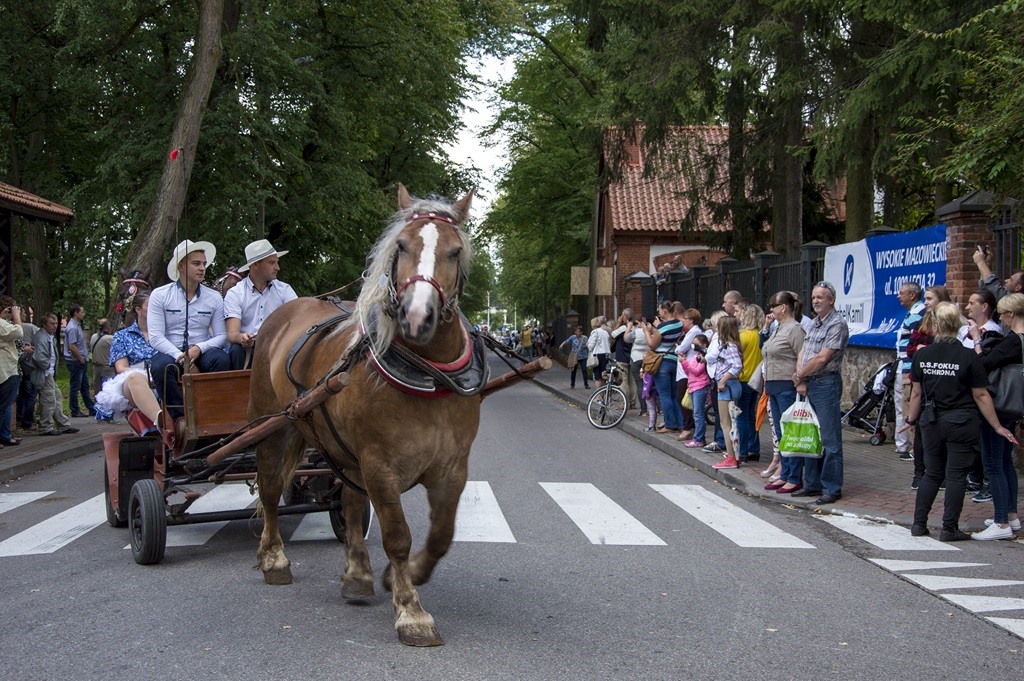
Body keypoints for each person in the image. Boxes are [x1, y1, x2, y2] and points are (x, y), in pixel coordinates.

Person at [900, 301, 1017, 541]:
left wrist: (911, 420)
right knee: (956, 476)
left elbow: (916, 394)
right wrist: (997, 426)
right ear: (958, 326)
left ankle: (918, 524)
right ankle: (949, 528)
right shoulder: (968, 356)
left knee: (932, 473)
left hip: (931, 421)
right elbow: (981, 395)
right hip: (961, 421)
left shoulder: (922, 354)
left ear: (934, 326)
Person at [148, 239, 230, 420]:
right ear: (181, 266)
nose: (202, 268)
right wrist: (179, 355)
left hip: (200, 351)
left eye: (204, 264)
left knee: (222, 359)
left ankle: (211, 411)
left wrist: (199, 348)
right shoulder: (160, 295)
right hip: (171, 351)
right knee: (160, 366)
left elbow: (222, 336)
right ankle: (180, 417)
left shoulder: (214, 297)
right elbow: (155, 337)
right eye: (196, 263)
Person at [792, 281, 849, 505]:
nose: (815, 301)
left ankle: (832, 488)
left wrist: (800, 375)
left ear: (831, 300)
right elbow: (804, 351)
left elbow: (822, 358)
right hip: (809, 381)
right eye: (814, 297)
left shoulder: (837, 324)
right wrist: (801, 375)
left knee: (829, 439)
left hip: (826, 383)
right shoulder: (815, 323)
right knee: (811, 435)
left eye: (820, 297)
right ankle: (812, 484)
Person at [972, 293, 1024, 539]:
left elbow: (983, 364)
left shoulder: (1013, 340)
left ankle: (1001, 522)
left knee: (993, 463)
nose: (1001, 319)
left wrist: (977, 340)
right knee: (1005, 461)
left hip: (998, 407)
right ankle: (1011, 516)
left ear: (1011, 314)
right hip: (1013, 406)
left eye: (1002, 314)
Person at [224, 239, 298, 370]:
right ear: (255, 265)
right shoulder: (236, 293)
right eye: (272, 262)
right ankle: (239, 382)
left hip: (277, 346)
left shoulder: (285, 290)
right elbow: (232, 333)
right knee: (236, 349)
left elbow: (297, 319)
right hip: (248, 349)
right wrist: (242, 338)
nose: (277, 267)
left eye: (277, 262)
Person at [94, 290, 161, 430]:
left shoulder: (166, 333)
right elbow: (121, 368)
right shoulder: (122, 336)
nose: (156, 309)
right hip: (136, 381)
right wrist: (148, 372)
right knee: (135, 378)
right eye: (151, 306)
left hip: (163, 378)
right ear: (138, 310)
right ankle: (160, 421)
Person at [905, 284, 951, 489]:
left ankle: (942, 474)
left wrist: (928, 350)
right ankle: (919, 473)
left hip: (945, 381)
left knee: (943, 430)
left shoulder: (952, 323)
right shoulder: (922, 322)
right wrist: (920, 349)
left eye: (930, 299)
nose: (925, 303)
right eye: (925, 299)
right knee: (922, 429)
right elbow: (910, 350)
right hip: (923, 380)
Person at [761, 292, 806, 493]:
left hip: (787, 385)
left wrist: (799, 379)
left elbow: (801, 355)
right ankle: (785, 473)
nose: (771, 310)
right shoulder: (778, 328)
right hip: (774, 385)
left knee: (790, 432)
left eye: (773, 306)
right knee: (780, 433)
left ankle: (794, 476)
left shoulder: (795, 329)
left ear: (783, 307)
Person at [962, 289, 1004, 501]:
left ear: (985, 306)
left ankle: (988, 482)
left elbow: (983, 364)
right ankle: (975, 477)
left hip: (984, 391)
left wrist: (977, 339)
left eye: (972, 303)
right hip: (968, 391)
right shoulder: (968, 329)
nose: (967, 307)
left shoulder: (993, 333)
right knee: (974, 438)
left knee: (986, 441)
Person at [30, 313, 79, 437]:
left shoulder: (50, 336)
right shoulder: (41, 337)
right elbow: (39, 357)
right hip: (44, 373)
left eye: (56, 323)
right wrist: (46, 366)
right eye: (52, 324)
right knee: (49, 400)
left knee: (56, 397)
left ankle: (63, 424)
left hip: (49, 373)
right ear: (44, 324)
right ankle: (46, 426)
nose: (55, 326)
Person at [894, 282, 925, 462]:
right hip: (904, 364)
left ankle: (911, 446)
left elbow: (914, 340)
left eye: (902, 293)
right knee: (902, 405)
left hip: (909, 366)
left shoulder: (918, 313)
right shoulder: (912, 312)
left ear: (912, 295)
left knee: (907, 404)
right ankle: (903, 444)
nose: (898, 296)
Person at [642, 301, 683, 435]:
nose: (658, 313)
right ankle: (680, 424)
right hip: (674, 361)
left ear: (664, 311)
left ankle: (669, 424)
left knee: (664, 395)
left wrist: (646, 332)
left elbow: (652, 345)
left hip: (662, 362)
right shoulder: (679, 324)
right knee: (673, 395)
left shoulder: (663, 327)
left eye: (659, 310)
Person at [711, 315, 743, 468]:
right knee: (730, 423)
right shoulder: (730, 345)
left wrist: (723, 380)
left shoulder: (729, 346)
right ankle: (733, 454)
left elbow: (737, 366)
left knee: (725, 423)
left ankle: (731, 457)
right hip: (728, 385)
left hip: (727, 386)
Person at [736, 304, 764, 462]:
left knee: (742, 416)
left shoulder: (743, 335)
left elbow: (737, 357)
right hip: (757, 379)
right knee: (751, 415)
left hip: (743, 378)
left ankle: (743, 450)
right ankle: (754, 448)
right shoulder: (760, 335)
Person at [702, 310, 729, 454]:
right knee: (719, 412)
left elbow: (713, 355)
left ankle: (720, 441)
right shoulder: (720, 336)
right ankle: (720, 440)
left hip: (719, 377)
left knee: (720, 412)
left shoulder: (720, 337)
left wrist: (706, 355)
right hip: (716, 376)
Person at [674, 308, 703, 438]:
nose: (683, 321)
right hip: (685, 368)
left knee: (682, 397)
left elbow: (680, 349)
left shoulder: (694, 332)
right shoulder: (691, 332)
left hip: (688, 369)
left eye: (685, 319)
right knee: (684, 397)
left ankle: (688, 427)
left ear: (691, 320)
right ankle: (689, 425)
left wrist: (678, 348)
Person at [0, 296, 25, 446]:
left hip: (6, 370)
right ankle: (4, 435)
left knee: (6, 405)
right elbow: (19, 332)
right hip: (6, 371)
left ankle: (5, 435)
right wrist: (16, 316)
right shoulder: (2, 324)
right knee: (4, 405)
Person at [63, 303, 95, 417]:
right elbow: (72, 346)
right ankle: (74, 410)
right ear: (75, 313)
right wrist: (81, 359)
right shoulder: (72, 327)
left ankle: (91, 408)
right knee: (75, 386)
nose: (83, 314)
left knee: (84, 386)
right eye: (82, 312)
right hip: (75, 361)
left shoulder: (77, 326)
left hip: (80, 361)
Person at [679, 334, 711, 447]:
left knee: (698, 414)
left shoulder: (703, 356)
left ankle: (699, 439)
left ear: (704, 344)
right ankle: (698, 437)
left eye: (696, 344)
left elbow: (697, 371)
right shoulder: (695, 356)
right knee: (695, 414)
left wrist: (684, 363)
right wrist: (684, 363)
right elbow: (689, 372)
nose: (694, 346)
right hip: (692, 386)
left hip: (700, 386)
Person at [610, 309, 637, 409]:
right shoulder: (635, 327)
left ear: (625, 317)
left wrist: (618, 323)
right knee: (632, 381)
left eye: (622, 315)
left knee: (623, 381)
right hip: (632, 356)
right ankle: (632, 402)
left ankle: (624, 403)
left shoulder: (623, 328)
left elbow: (612, 334)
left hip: (622, 357)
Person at [627, 313, 650, 415]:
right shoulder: (649, 331)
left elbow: (626, 338)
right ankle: (659, 408)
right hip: (647, 358)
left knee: (639, 384)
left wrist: (629, 327)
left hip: (636, 358)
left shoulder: (635, 332)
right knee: (651, 383)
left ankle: (643, 409)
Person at [90, 318, 115, 394]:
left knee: (97, 391)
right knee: (108, 390)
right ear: (108, 327)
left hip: (96, 368)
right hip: (107, 368)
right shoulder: (110, 338)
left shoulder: (93, 337)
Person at [587, 316, 611, 388]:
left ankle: (598, 393)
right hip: (606, 354)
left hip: (598, 355)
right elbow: (608, 343)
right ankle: (603, 392)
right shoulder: (605, 332)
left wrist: (587, 344)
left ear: (593, 324)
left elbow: (591, 346)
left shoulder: (595, 332)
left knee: (597, 376)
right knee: (603, 375)